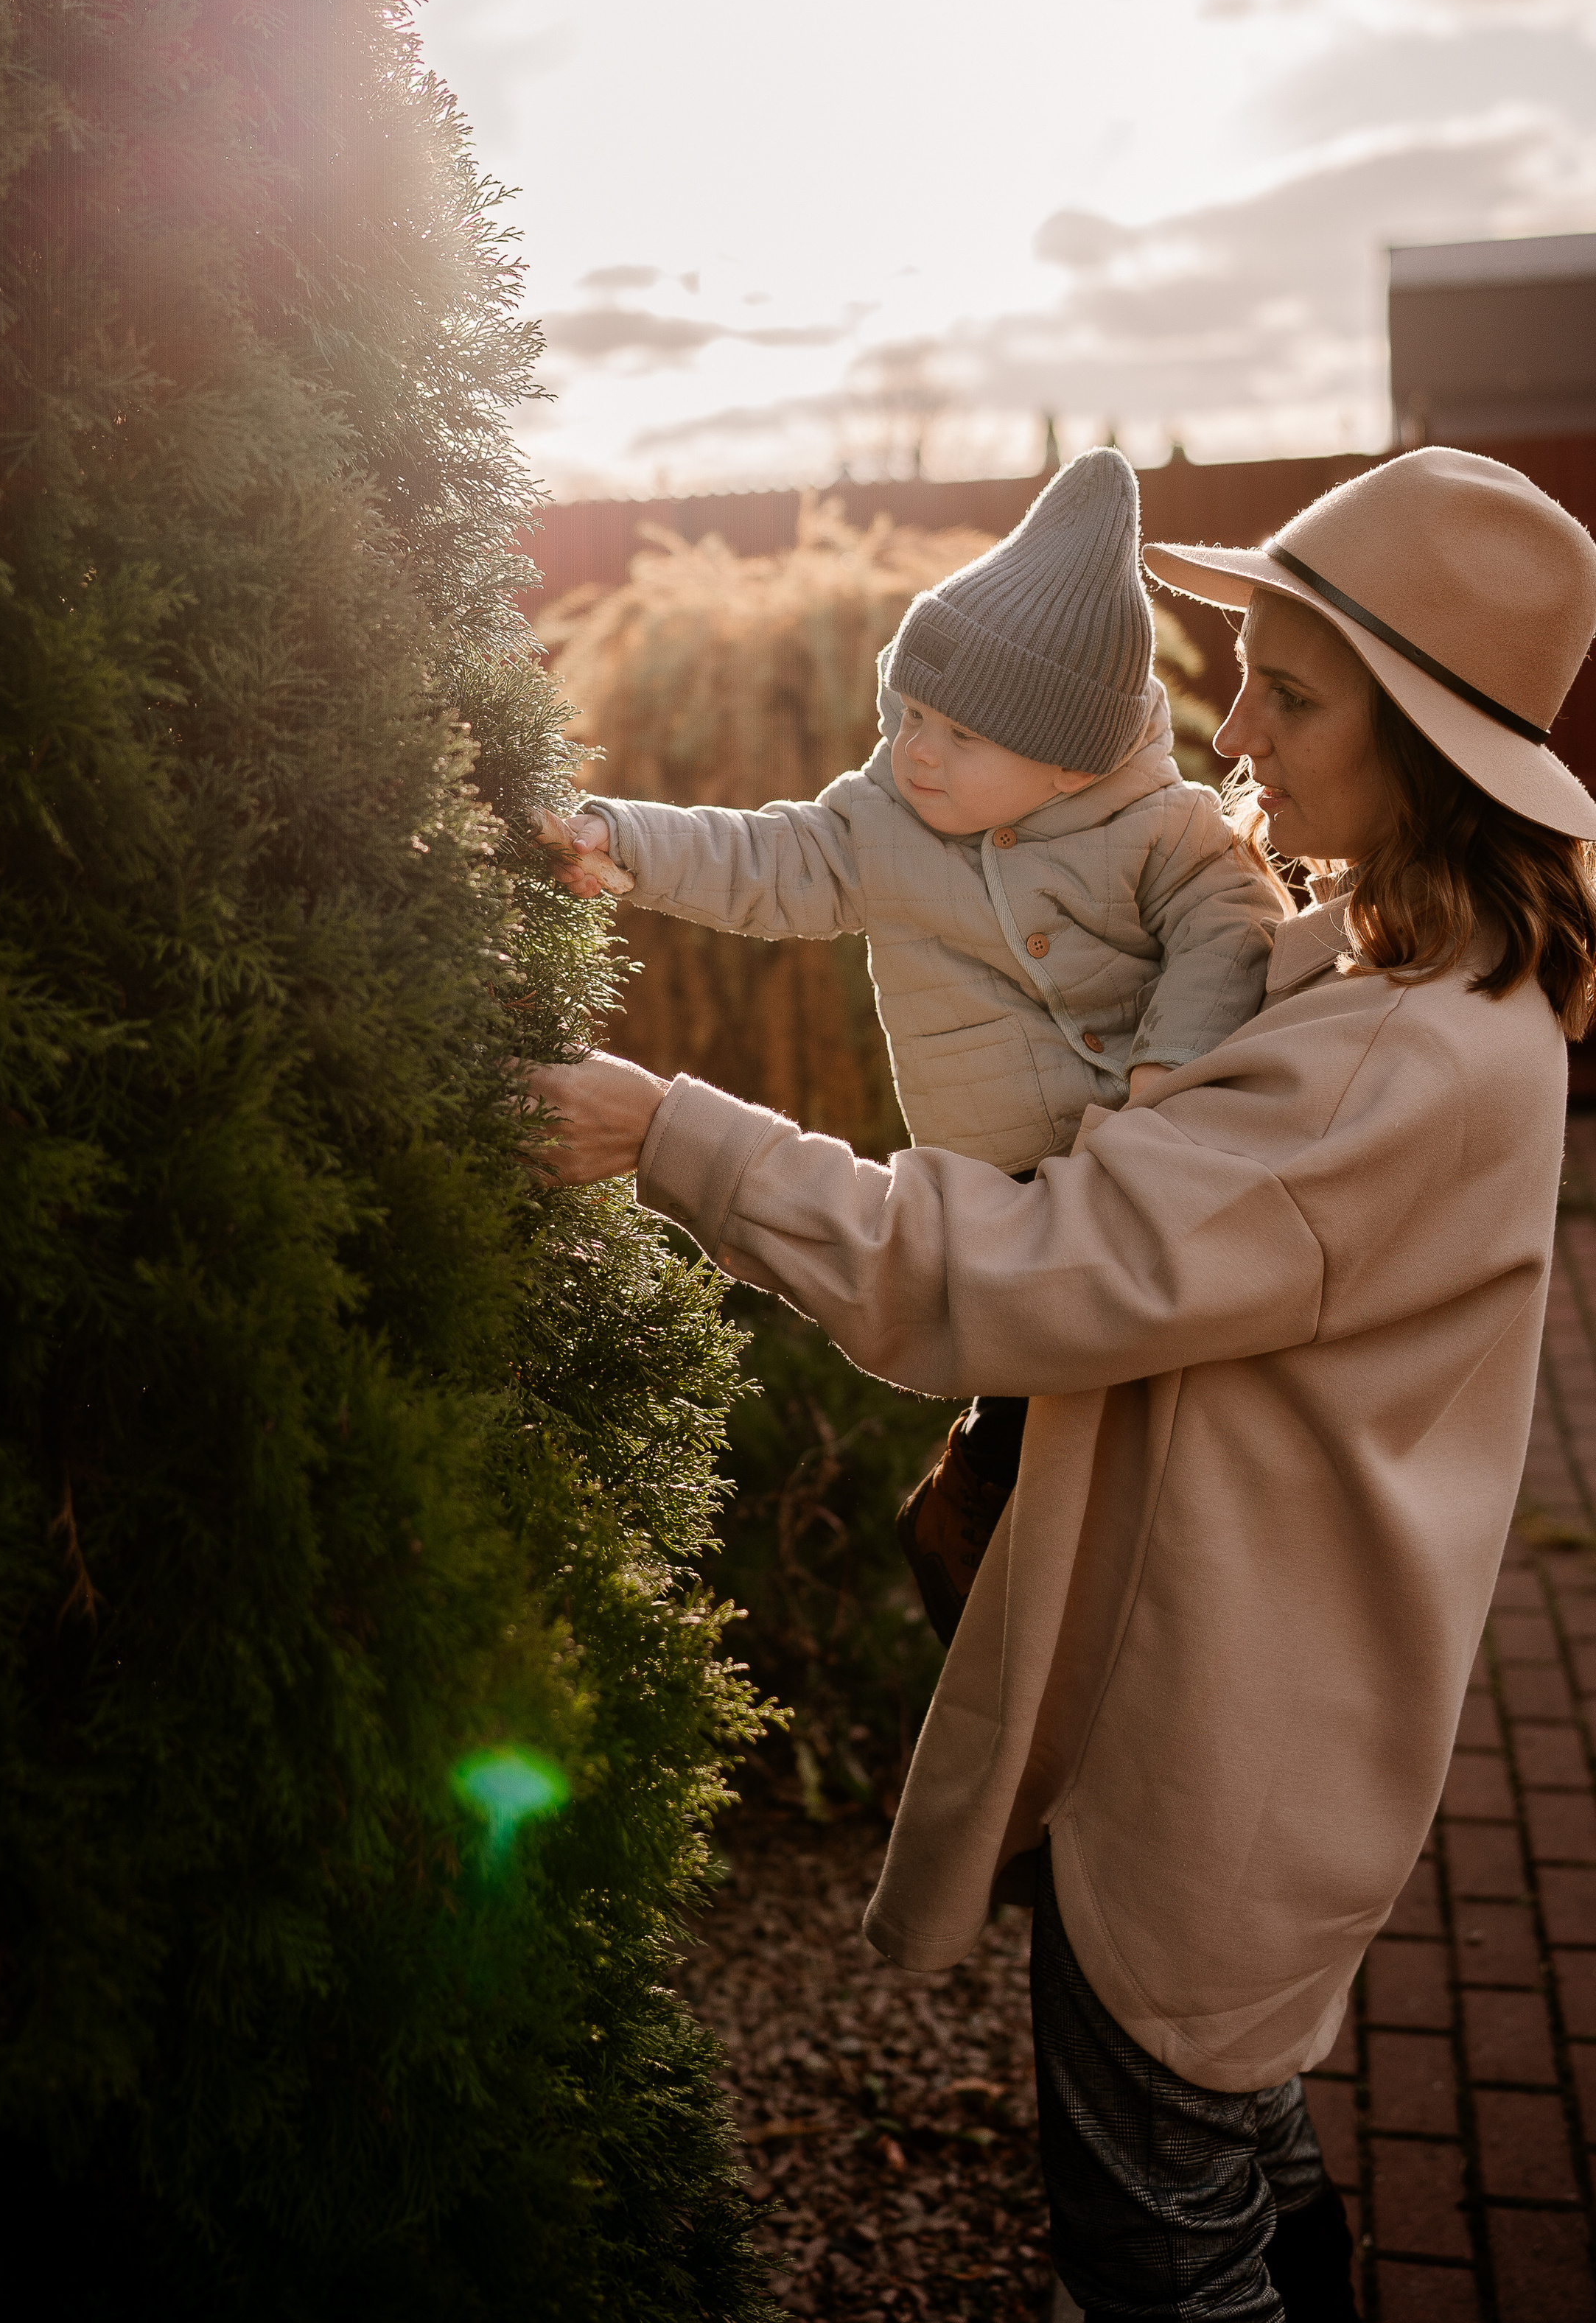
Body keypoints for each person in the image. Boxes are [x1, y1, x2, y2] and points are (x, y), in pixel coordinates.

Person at [525, 446, 1596, 2323]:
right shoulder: (1395, 973)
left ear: (1424, 745)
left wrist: (667, 1132)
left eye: (1288, 691)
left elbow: (1025, 1271)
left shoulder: (1381, 1063)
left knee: (1156, 2240)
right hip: (1269, 1690)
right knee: (1232, 2148)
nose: (1226, 726)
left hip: (1219, 1731)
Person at [539, 451, 1281, 1641]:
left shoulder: (1165, 833)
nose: (918, 750)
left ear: (1070, 759)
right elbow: (770, 858)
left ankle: (1104, 1582)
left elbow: (1231, 922)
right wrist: (618, 839)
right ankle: (989, 1557)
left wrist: (1164, 1078)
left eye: (960, 735)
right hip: (999, 1195)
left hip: (1138, 1175)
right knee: (1018, 1399)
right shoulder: (887, 820)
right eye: (912, 714)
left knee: (1121, 1410)